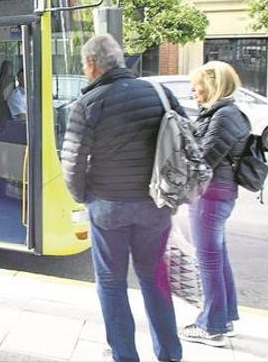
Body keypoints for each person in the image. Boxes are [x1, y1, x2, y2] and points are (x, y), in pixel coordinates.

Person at [61, 35, 184, 362]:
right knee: (154, 279)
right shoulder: (160, 93)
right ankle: (170, 354)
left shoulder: (87, 104)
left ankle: (124, 355)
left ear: (91, 64)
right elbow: (186, 140)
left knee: (112, 284)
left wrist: (84, 196)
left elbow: (72, 161)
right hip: (155, 205)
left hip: (107, 205)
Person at [179, 61, 250, 346]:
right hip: (218, 193)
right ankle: (225, 317)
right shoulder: (224, 113)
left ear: (212, 84)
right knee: (217, 257)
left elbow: (205, 159)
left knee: (208, 260)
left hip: (210, 194)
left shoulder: (223, 116)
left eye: (197, 84)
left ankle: (212, 326)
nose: (194, 90)